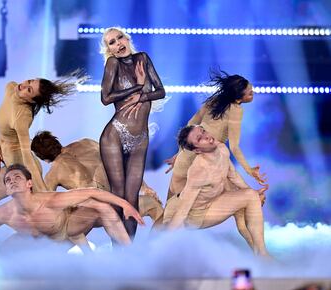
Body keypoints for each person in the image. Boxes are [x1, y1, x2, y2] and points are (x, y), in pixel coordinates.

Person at [165, 72, 267, 248]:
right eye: (250, 92)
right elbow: (234, 147)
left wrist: (181, 151)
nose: (253, 93)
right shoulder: (236, 110)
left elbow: (191, 122)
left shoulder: (214, 101)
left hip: (188, 155)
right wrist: (249, 170)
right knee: (239, 210)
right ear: (238, 98)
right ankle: (258, 251)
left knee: (168, 211)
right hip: (205, 156)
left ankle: (154, 250)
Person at [0, 77, 78, 231]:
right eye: (29, 82)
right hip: (10, 166)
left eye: (29, 90)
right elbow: (3, 125)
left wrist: (41, 189)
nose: (24, 85)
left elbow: (27, 155)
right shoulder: (10, 87)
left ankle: (70, 234)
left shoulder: (23, 116)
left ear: (32, 101)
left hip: (23, 169)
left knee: (44, 221)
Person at [0, 164, 144, 251]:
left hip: (66, 231)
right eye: (8, 180)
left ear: (29, 184)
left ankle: (129, 253)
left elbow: (91, 191)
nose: (12, 181)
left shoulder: (50, 201)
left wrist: (126, 204)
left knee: (102, 208)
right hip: (38, 243)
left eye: (17, 177)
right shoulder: (3, 213)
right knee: (0, 256)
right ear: (6, 190)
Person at [99, 27, 165, 238]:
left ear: (127, 39)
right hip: (115, 135)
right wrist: (137, 88)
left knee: (131, 198)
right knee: (118, 197)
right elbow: (106, 98)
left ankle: (128, 254)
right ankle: (117, 251)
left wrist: (142, 97)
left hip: (140, 139)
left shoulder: (142, 59)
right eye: (111, 42)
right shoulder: (113, 64)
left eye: (119, 38)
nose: (118, 44)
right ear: (108, 49)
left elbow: (161, 91)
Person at [164, 125, 269, 256]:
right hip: (195, 215)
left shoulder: (221, 148)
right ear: (197, 150)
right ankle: (261, 254)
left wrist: (254, 193)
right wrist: (164, 243)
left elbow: (233, 175)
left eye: (203, 131)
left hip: (211, 201)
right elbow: (183, 211)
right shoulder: (199, 171)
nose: (207, 136)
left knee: (251, 195)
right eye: (200, 138)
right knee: (250, 198)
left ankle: (262, 253)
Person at [31, 131, 163, 223]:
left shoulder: (53, 174)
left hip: (99, 212)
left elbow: (45, 206)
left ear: (42, 157)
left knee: (60, 228)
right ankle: (161, 251)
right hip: (115, 202)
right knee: (155, 207)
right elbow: (121, 162)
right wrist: (145, 187)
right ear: (56, 141)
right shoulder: (86, 143)